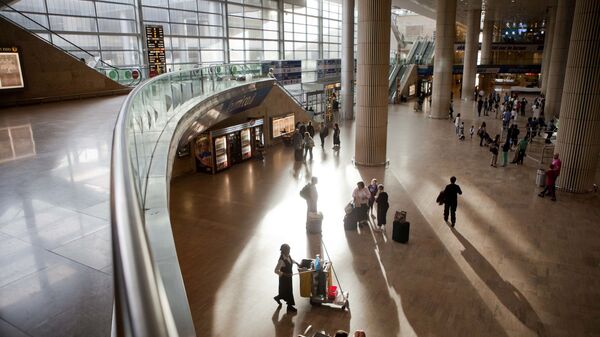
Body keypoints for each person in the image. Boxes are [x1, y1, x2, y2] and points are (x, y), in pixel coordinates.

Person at [274, 243, 300, 312]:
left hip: (289, 277)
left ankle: (278, 298)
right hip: (284, 279)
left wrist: (297, 263)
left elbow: (291, 260)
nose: (289, 251)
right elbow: (276, 270)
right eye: (288, 250)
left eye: (289, 250)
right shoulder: (281, 260)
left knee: (286, 291)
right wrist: (285, 274)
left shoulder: (288, 255)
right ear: (284, 251)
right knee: (288, 291)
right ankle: (290, 306)